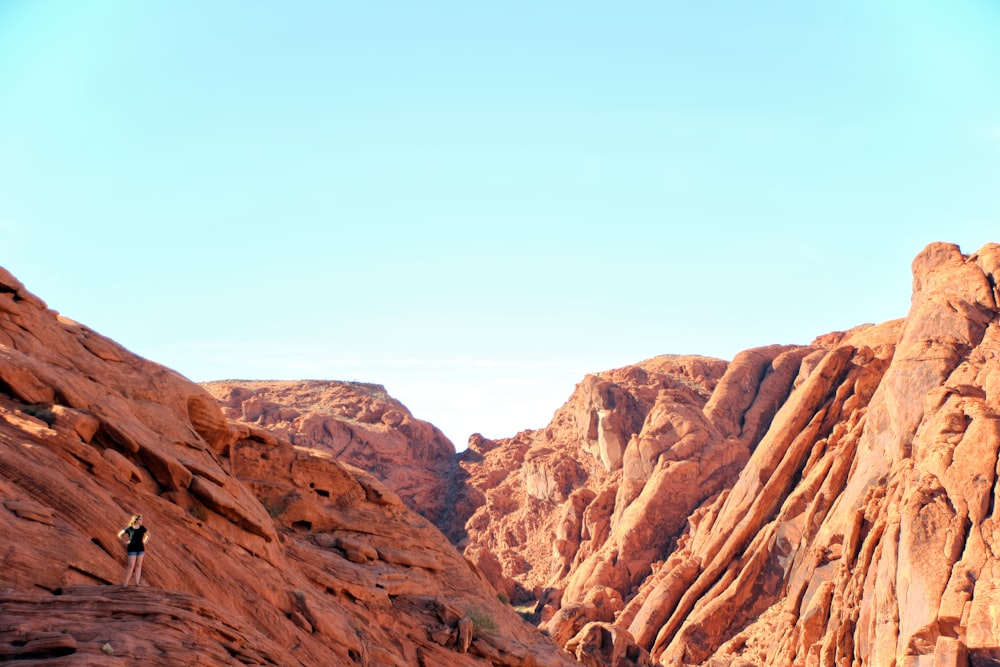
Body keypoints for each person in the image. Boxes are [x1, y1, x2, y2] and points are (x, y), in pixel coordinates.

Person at [117, 514, 150, 586]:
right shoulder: (129, 528)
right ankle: (125, 583)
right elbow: (120, 534)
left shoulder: (142, 528)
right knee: (131, 566)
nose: (142, 520)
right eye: (140, 519)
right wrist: (125, 541)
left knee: (138, 566)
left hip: (140, 548)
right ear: (136, 520)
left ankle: (137, 582)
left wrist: (145, 542)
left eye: (142, 519)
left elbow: (148, 535)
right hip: (132, 548)